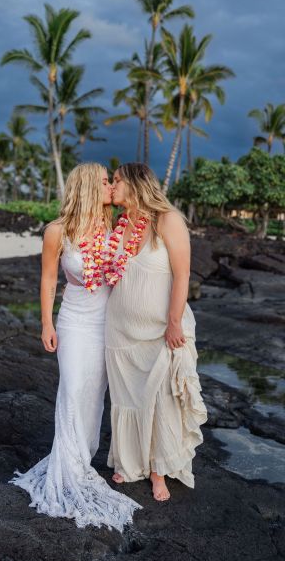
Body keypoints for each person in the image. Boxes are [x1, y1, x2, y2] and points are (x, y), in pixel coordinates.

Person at [9, 163, 141, 531]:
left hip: (109, 323)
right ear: (85, 186)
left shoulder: (115, 227)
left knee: (94, 397)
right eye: (104, 182)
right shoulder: (57, 231)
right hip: (74, 321)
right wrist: (46, 324)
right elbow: (48, 279)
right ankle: (66, 470)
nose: (110, 188)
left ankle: (82, 461)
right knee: (72, 387)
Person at [104, 163, 207, 502]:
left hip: (161, 330)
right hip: (120, 329)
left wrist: (175, 320)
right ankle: (128, 461)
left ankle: (158, 470)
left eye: (117, 180)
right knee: (126, 398)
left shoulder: (167, 219)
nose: (112, 186)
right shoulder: (119, 225)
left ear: (135, 184)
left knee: (160, 399)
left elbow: (183, 273)